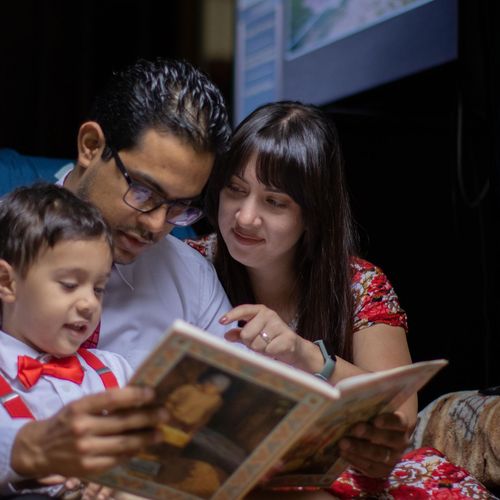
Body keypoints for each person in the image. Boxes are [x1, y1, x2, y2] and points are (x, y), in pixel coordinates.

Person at [187, 101, 492, 498]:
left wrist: (308, 356)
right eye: (236, 190)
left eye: (274, 202)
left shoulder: (358, 284)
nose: (245, 217)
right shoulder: (190, 267)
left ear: (312, 214)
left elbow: (398, 416)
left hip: (345, 475)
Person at [2, 58, 234, 489]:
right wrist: (20, 451)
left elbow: (233, 416)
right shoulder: (9, 248)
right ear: (91, 146)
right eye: (144, 191)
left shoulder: (190, 277)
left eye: (181, 206)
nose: (157, 224)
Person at [0, 184, 165, 496]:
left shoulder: (115, 370)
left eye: (98, 288)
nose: (89, 303)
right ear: (7, 282)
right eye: (69, 284)